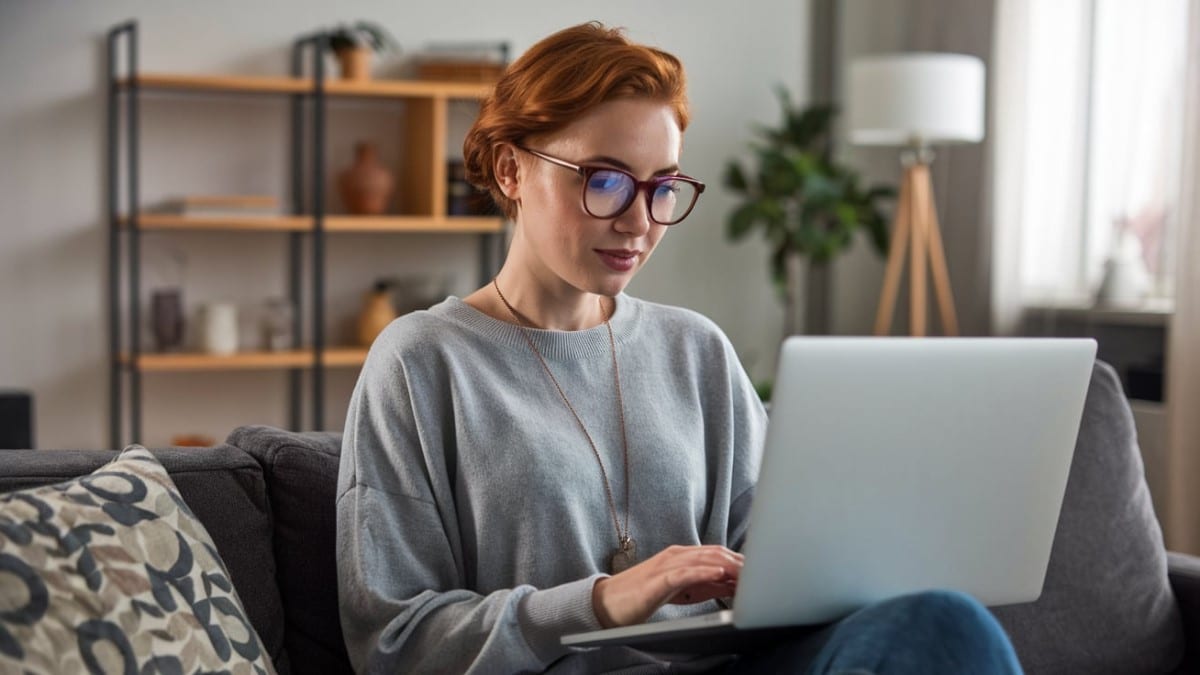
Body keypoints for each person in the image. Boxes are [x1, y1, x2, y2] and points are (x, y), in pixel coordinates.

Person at [336, 21, 1024, 674]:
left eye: (662, 186)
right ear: (513, 171)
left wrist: (793, 575)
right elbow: (394, 643)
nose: (639, 220)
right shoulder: (421, 360)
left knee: (945, 620)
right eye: (604, 180)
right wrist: (602, 600)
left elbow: (778, 551)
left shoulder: (695, 348)